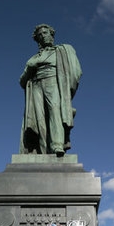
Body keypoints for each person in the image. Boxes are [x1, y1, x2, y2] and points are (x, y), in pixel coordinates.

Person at [19, 23, 82, 156]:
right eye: (40, 35)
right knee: (39, 120)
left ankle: (57, 145)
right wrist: (30, 68)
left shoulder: (63, 50)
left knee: (55, 111)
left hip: (53, 81)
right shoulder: (33, 58)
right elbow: (22, 81)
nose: (43, 36)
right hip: (36, 85)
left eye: (45, 33)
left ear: (51, 34)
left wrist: (68, 91)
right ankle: (42, 151)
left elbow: (76, 72)